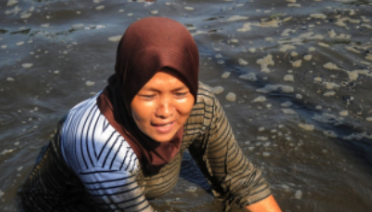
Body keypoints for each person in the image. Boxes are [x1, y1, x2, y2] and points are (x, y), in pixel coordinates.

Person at [18, 17, 281, 212]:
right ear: (126, 89)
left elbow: (242, 180)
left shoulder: (201, 104)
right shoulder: (101, 148)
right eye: (148, 95)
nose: (166, 112)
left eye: (180, 93)